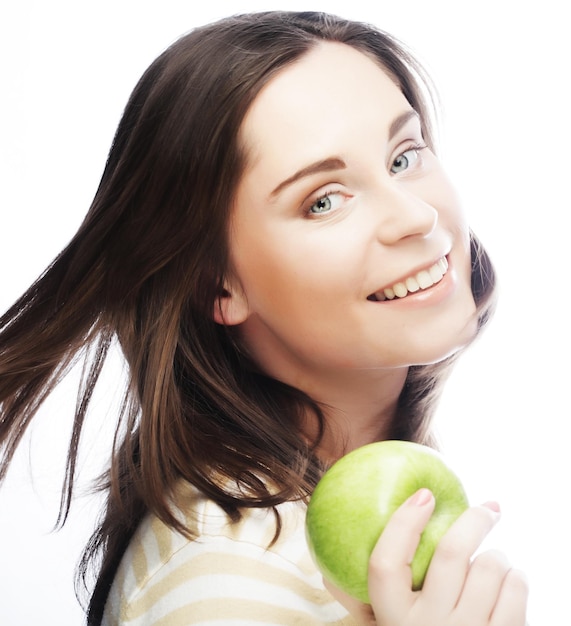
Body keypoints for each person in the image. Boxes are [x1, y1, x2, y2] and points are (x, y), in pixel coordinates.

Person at [0, 10, 528, 626]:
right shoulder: (229, 576)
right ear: (216, 287)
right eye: (323, 201)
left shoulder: (336, 515)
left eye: (403, 156)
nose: (414, 216)